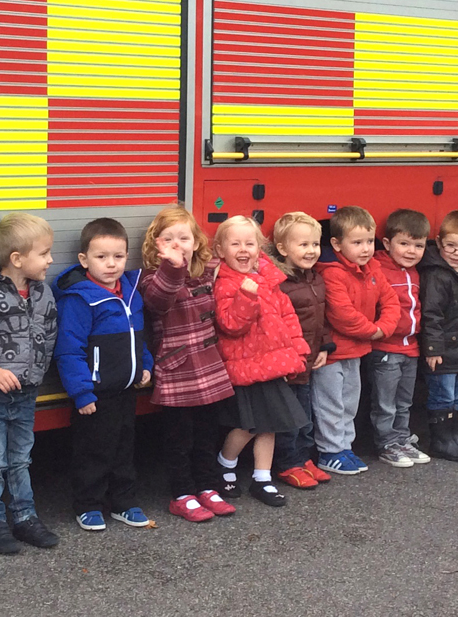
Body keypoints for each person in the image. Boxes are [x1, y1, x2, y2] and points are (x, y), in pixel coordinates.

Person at [0, 212, 60, 554]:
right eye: (44, 253)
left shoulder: (43, 293)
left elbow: (48, 334)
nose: (50, 259)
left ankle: (25, 517)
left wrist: (37, 371)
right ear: (17, 259)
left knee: (21, 459)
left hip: (27, 392)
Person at [53, 218, 153, 531]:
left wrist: (145, 365)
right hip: (94, 395)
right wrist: (81, 392)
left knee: (125, 449)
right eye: (101, 257)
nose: (111, 264)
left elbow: (139, 336)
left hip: (126, 389)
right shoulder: (80, 298)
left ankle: (124, 502)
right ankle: (88, 504)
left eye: (118, 257)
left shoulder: (131, 292)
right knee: (92, 452)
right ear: (83, 260)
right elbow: (68, 350)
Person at [140, 205, 235, 522]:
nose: (178, 244)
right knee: (178, 438)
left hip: (208, 367)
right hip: (178, 369)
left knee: (207, 433)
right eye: (169, 238)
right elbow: (159, 300)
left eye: (185, 237)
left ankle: (207, 487)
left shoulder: (206, 272)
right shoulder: (153, 277)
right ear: (157, 244)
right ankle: (182, 494)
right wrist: (172, 265)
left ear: (196, 241)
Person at [212, 216, 309, 508]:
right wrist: (245, 296)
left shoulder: (269, 280)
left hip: (273, 365)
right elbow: (230, 324)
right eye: (235, 243)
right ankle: (225, 464)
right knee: (248, 426)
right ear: (220, 250)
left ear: (260, 248)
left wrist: (298, 351)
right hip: (246, 367)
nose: (244, 249)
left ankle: (262, 478)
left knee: (271, 426)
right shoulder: (225, 284)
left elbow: (288, 318)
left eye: (250, 243)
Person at [314, 206, 400, 475]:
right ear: (337, 244)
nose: (365, 249)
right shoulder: (332, 273)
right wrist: (373, 331)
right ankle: (329, 451)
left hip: (356, 350)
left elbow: (390, 300)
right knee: (330, 404)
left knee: (350, 402)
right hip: (332, 354)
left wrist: (382, 328)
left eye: (369, 242)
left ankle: (345, 447)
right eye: (357, 243)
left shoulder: (373, 267)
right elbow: (342, 315)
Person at [272, 212, 335, 489]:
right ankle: (288, 464)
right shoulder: (278, 283)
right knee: (289, 418)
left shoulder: (315, 279)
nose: (311, 251)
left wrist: (324, 345)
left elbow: (322, 316)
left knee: (305, 415)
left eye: (315, 244)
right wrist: (284, 359)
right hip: (288, 363)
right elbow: (274, 327)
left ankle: (303, 457)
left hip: (308, 360)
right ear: (283, 249)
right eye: (303, 245)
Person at [369, 209, 432, 468]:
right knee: (385, 402)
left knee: (404, 401)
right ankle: (386, 444)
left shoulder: (415, 272)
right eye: (403, 244)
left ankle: (402, 439)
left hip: (411, 348)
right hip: (385, 348)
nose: (411, 251)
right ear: (386, 243)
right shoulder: (378, 269)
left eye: (418, 245)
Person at [418, 209, 458, 461]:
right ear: (439, 241)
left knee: (457, 394)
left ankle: (454, 435)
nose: (456, 253)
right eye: (450, 246)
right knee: (442, 394)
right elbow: (431, 315)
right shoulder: (436, 275)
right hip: (443, 351)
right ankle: (441, 441)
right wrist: (433, 349)